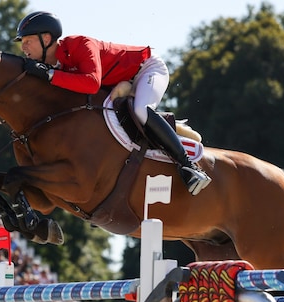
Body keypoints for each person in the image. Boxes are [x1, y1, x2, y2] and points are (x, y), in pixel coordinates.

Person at [13, 11, 211, 195]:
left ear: (46, 39)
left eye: (28, 41)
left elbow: (91, 83)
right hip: (118, 83)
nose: (23, 47)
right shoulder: (52, 65)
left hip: (147, 69)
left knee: (141, 111)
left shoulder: (79, 44)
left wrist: (49, 75)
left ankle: (189, 167)